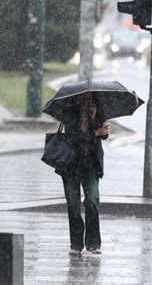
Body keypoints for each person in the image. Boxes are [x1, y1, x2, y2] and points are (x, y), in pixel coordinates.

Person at [55, 92, 111, 256]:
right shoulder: (69, 113)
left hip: (91, 165)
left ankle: (93, 242)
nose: (88, 103)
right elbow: (73, 138)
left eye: (91, 99)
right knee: (73, 203)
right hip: (70, 164)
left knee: (92, 200)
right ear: (78, 100)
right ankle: (76, 243)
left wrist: (96, 122)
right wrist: (95, 132)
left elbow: (103, 135)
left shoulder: (98, 112)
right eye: (85, 99)